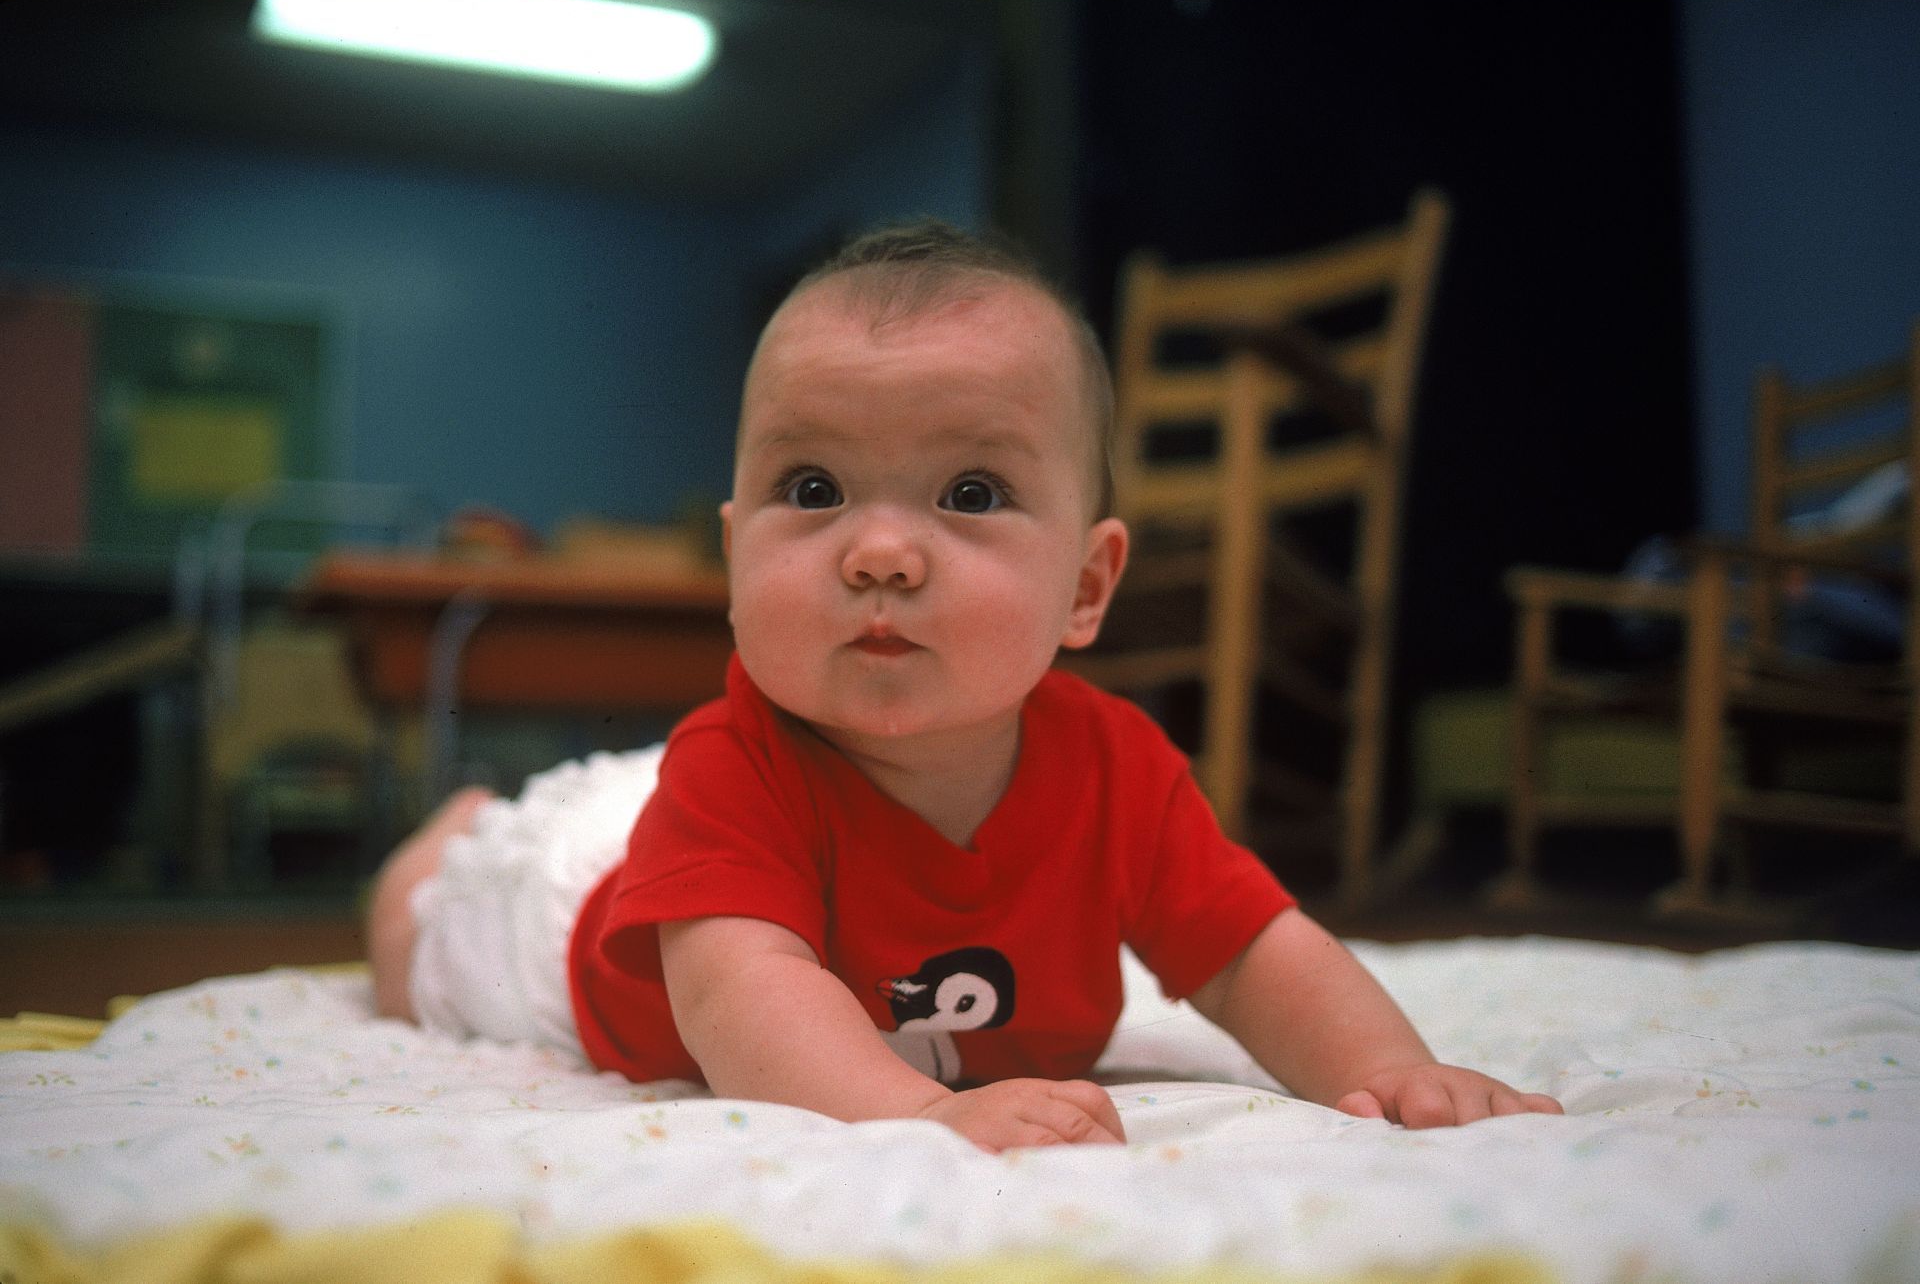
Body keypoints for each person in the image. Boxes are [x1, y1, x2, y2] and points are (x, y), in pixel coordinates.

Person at [367, 220, 1563, 1153]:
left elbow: (1256, 950)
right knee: (419, 939)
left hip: (672, 827)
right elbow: (745, 994)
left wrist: (1392, 1066)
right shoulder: (732, 765)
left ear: (1087, 586)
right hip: (577, 921)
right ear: (735, 558)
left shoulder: (1121, 771)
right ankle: (450, 830)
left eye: (973, 493)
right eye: (817, 487)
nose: (879, 551)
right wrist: (918, 1116)